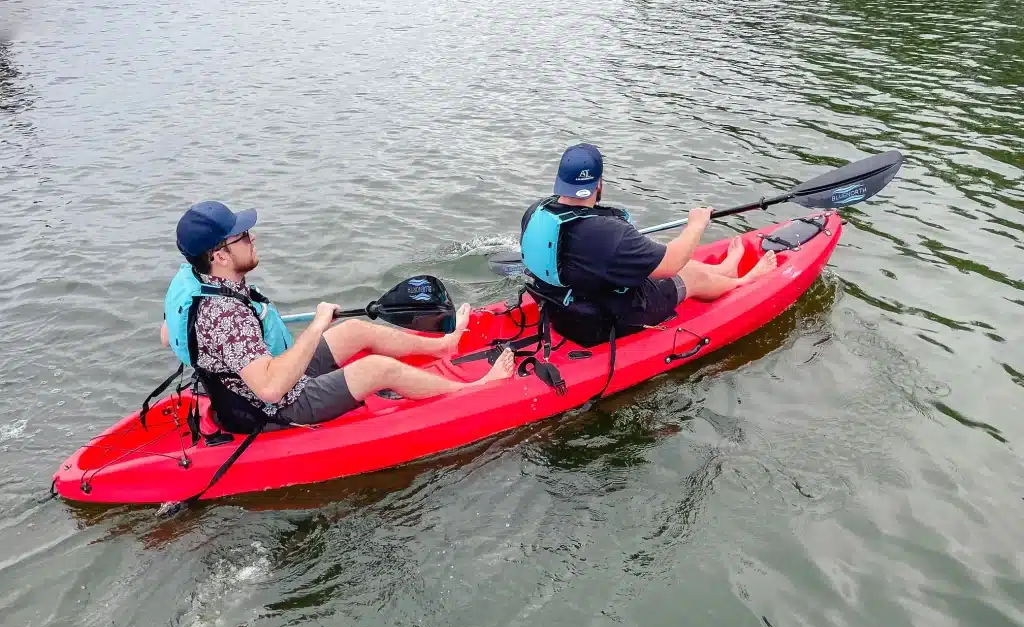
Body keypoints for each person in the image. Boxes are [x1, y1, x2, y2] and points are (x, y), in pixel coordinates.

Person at [160, 200, 514, 432]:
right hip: (276, 407)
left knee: (355, 331)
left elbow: (168, 334)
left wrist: (225, 351)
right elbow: (269, 389)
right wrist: (316, 326)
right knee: (377, 369)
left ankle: (444, 346)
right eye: (244, 236)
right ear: (220, 256)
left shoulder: (194, 280)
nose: (254, 239)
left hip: (256, 380)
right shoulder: (225, 317)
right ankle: (475, 390)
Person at [519, 143, 777, 345]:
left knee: (677, 263)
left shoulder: (535, 213)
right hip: (603, 322)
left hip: (563, 311)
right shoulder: (610, 234)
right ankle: (744, 281)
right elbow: (671, 265)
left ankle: (725, 270)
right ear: (599, 183)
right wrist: (696, 224)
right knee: (688, 274)